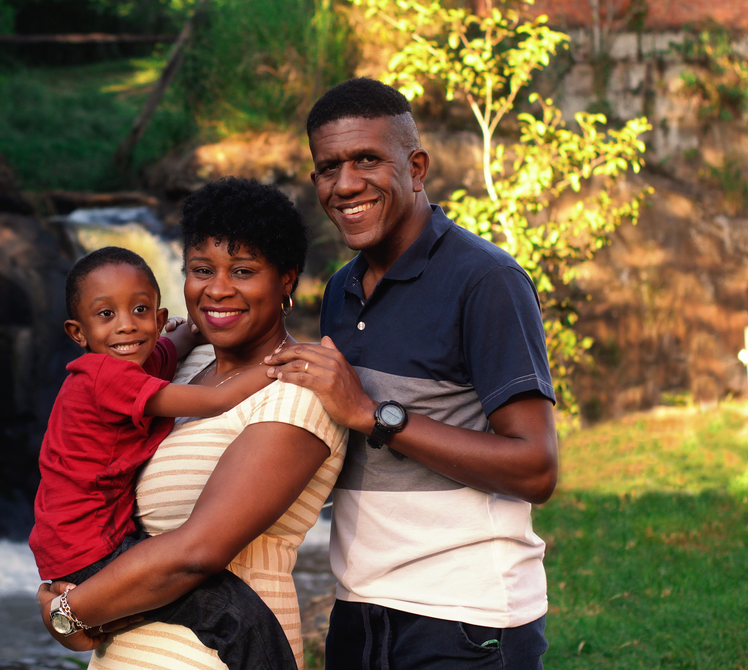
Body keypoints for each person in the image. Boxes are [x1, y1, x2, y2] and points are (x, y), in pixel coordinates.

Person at [265, 77, 558, 669]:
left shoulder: (486, 281)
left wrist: (376, 416)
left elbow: (536, 468)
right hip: (358, 611)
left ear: (417, 166)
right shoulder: (344, 290)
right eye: (327, 168)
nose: (345, 184)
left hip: (466, 620)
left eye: (366, 160)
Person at [37, 177, 349, 670]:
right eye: (202, 270)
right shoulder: (163, 369)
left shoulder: (296, 387)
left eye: (243, 271)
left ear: (286, 279)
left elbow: (196, 552)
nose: (218, 288)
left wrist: (67, 614)